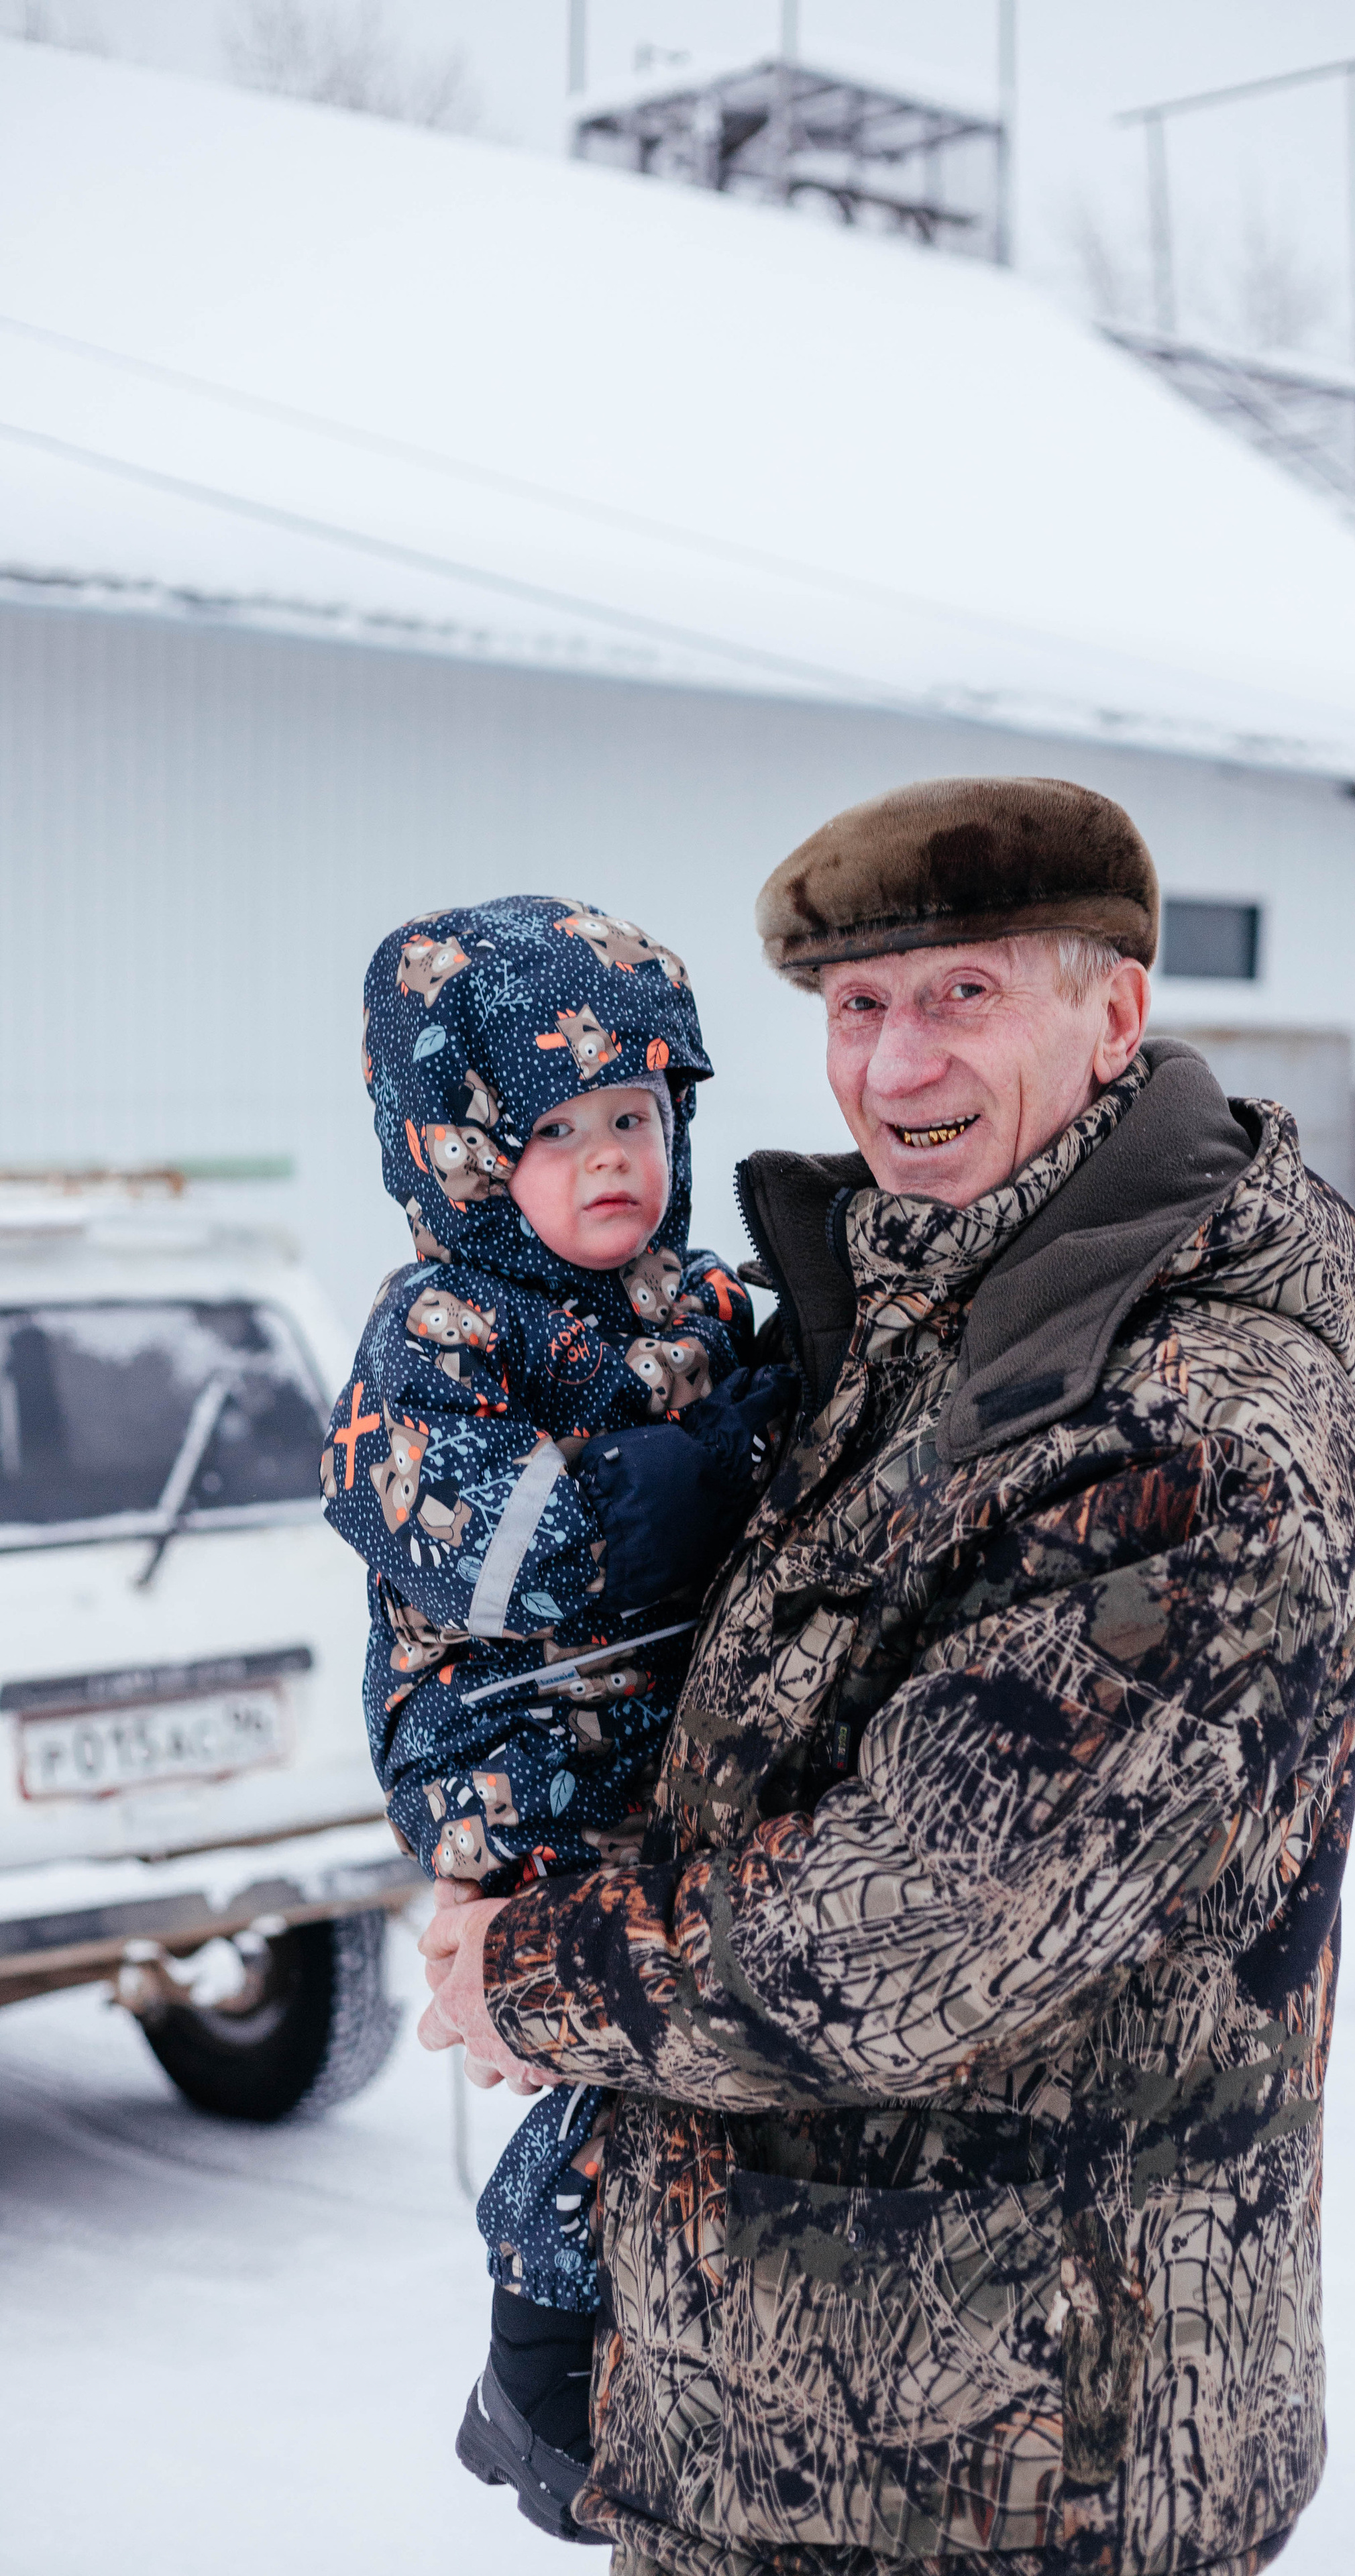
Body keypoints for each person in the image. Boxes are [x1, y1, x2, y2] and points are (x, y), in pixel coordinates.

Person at [419, 779, 1355, 2576]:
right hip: (788, 2436)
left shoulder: (1187, 1433)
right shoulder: (894, 1337)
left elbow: (904, 1937)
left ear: (1114, 1011)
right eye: (856, 1006)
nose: (895, 1065)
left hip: (1014, 2482)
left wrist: (526, 1971)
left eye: (963, 996)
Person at [321, 894, 788, 2540]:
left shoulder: (696, 1298)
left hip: (641, 1731)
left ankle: (624, 2355)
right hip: (507, 1752)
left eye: (635, 1119)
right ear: (462, 1155)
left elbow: (785, 1412)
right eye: (558, 1132)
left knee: (676, 2040)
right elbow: (448, 1520)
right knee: (610, 2059)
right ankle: (533, 2368)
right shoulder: (439, 1327)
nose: (611, 1161)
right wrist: (652, 1495)